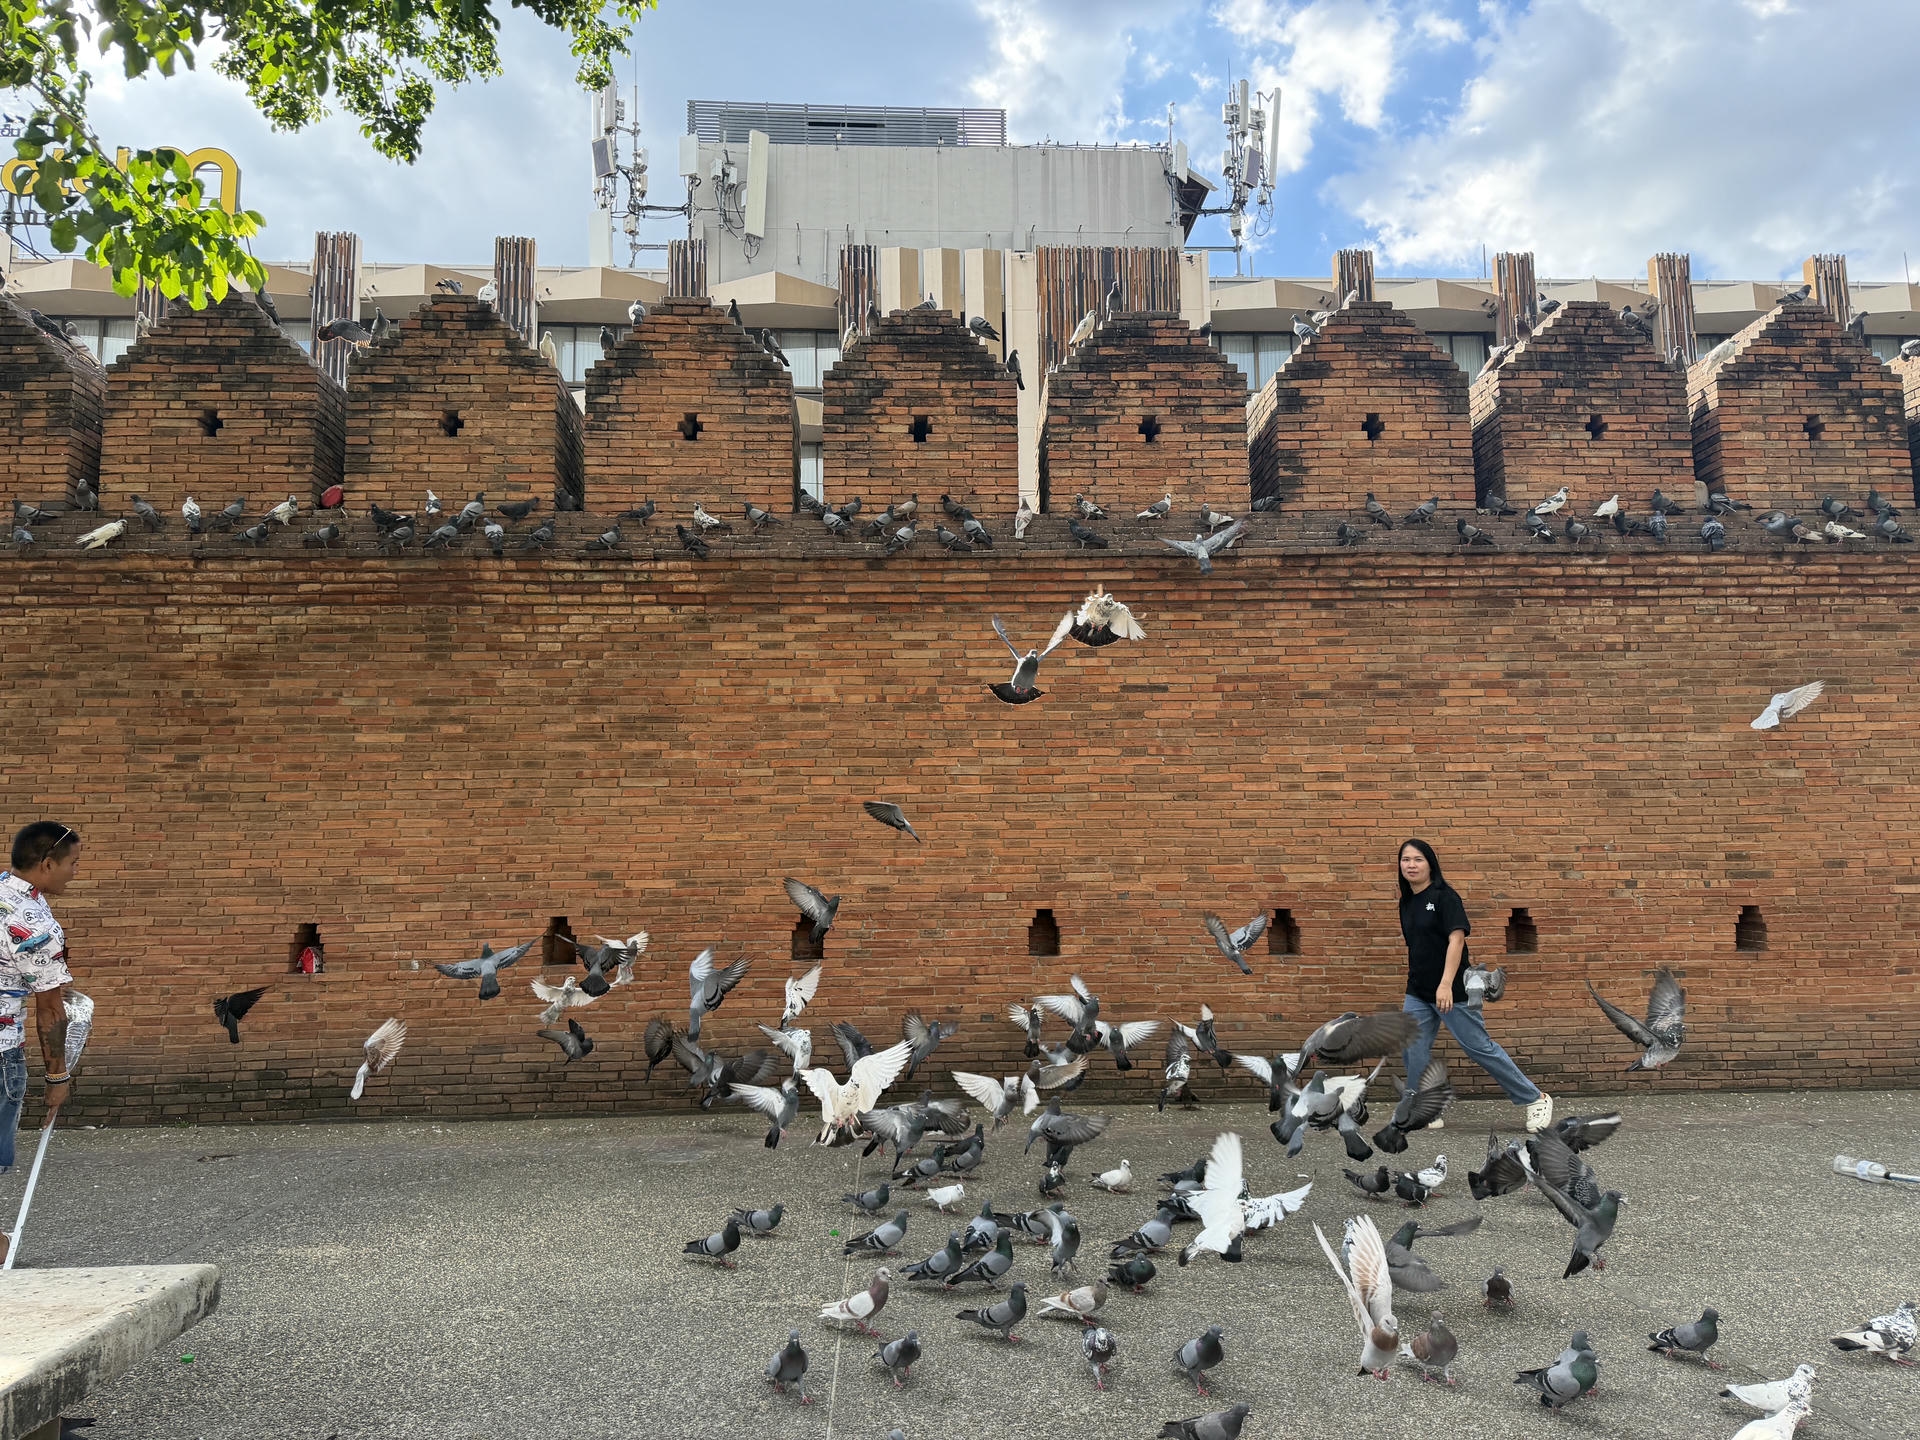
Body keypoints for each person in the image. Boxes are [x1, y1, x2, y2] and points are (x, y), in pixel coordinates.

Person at [1395, 838, 1553, 1132]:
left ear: (1430, 864)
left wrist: (1444, 984)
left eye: (1418, 859)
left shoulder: (1445, 897)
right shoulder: (1406, 902)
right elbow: (1418, 947)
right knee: (1413, 1048)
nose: (1411, 865)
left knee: (1479, 1047)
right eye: (1406, 859)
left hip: (1451, 991)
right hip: (1417, 990)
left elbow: (1456, 941)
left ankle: (1535, 1098)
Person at [0, 822, 79, 1176]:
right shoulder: (36, 928)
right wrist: (57, 1078)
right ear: (48, 864)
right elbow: (50, 1010)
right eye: (73, 863)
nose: (74, 873)